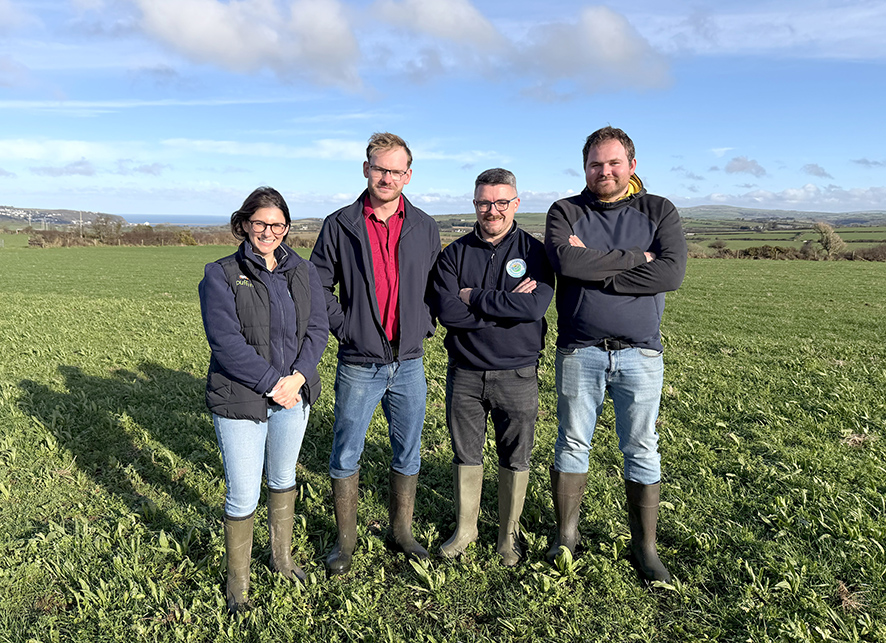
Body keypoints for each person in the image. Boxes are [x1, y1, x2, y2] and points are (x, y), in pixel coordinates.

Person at [544, 127, 687, 583]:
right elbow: (567, 263)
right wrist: (637, 260)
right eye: (594, 164)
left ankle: (645, 548)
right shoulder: (566, 211)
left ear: (631, 165)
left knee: (642, 448)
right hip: (578, 350)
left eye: (612, 163)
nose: (603, 171)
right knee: (571, 443)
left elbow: (672, 272)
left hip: (641, 354)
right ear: (584, 167)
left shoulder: (658, 209)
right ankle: (567, 537)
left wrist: (601, 269)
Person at [310, 132, 441, 574]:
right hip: (359, 363)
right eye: (379, 168)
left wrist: (424, 324)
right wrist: (345, 328)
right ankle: (345, 543)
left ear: (408, 175)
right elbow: (317, 285)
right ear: (366, 169)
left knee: (408, 451)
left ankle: (401, 532)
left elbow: (435, 285)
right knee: (346, 452)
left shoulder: (424, 225)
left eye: (395, 170)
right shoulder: (340, 224)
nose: (387, 177)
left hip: (409, 363)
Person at [199, 187, 329, 612]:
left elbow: (317, 331)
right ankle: (238, 586)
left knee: (283, 479)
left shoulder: (304, 271)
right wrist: (276, 383)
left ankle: (282, 559)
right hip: (242, 398)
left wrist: (299, 377)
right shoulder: (220, 274)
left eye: (277, 225)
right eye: (260, 223)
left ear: (287, 227)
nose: (268, 232)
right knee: (242, 494)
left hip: (294, 395)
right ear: (244, 224)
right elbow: (226, 343)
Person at [431, 168, 554, 566]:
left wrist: (474, 296)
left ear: (516, 204)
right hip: (464, 371)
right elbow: (448, 312)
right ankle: (466, 531)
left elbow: (533, 306)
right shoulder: (454, 253)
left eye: (502, 202)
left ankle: (507, 537)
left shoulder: (536, 253)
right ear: (474, 204)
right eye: (485, 202)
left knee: (515, 456)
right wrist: (503, 306)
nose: (493, 210)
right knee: (465, 453)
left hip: (518, 373)